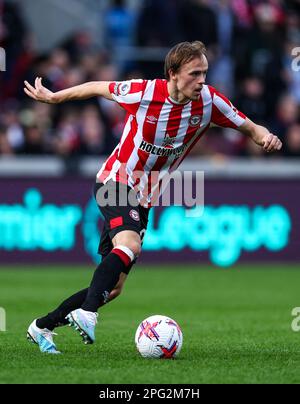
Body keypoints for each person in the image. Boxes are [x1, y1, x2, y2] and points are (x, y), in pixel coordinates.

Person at [24, 41, 282, 354]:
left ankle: (42, 326)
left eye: (204, 73)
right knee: (128, 246)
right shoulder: (144, 92)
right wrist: (54, 97)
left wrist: (265, 136)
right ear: (173, 74)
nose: (202, 80)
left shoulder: (210, 102)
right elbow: (97, 86)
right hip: (114, 181)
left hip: (146, 196)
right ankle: (87, 313)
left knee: (114, 287)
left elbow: (250, 127)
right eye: (194, 74)